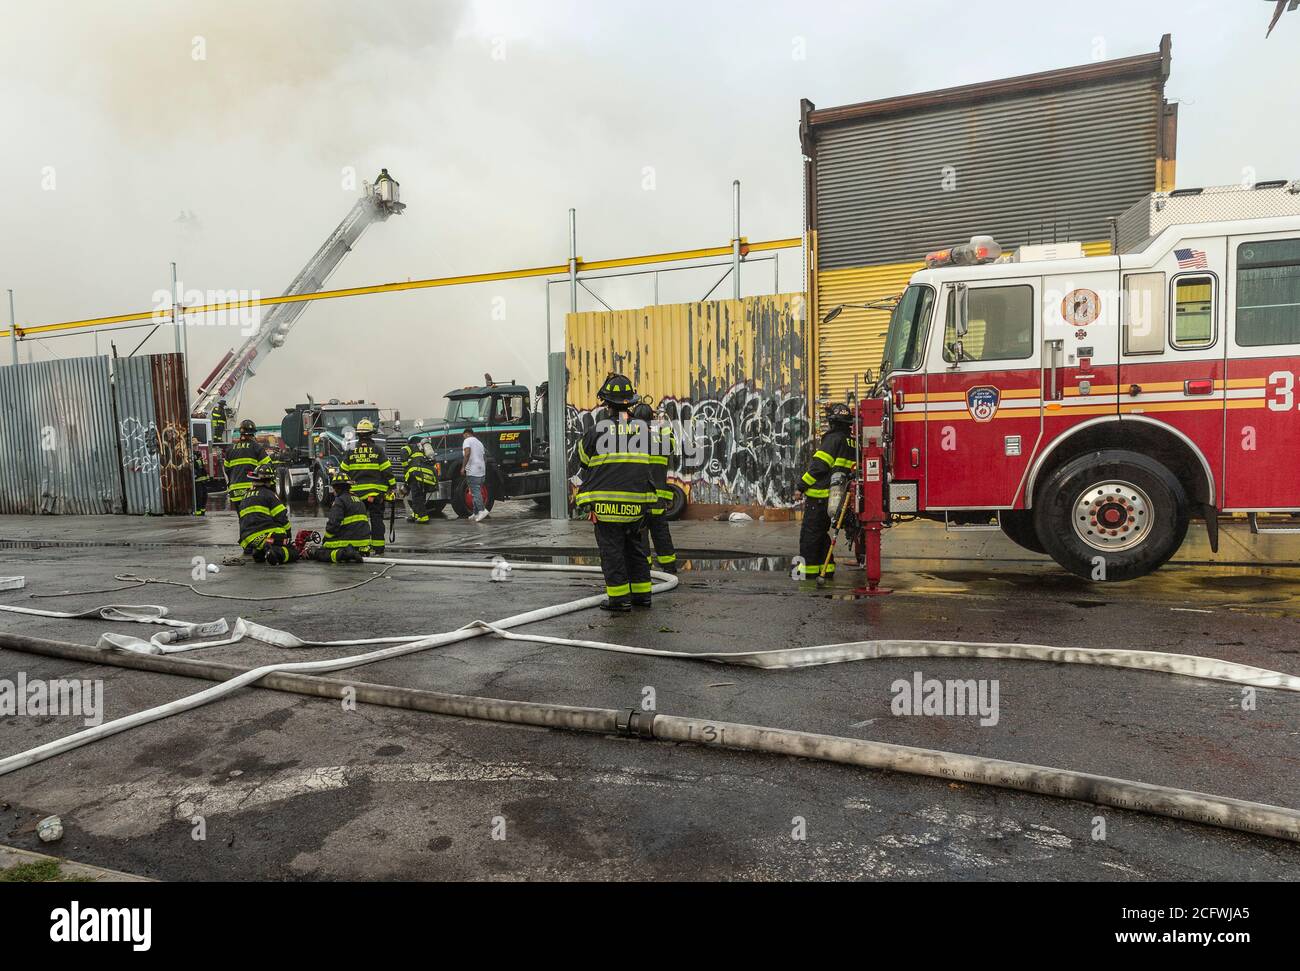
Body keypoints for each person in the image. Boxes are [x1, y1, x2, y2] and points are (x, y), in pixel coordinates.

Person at [574, 373, 657, 611]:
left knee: (612, 553)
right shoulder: (643, 431)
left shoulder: (597, 430)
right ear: (631, 402)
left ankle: (619, 600)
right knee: (636, 551)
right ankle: (643, 597)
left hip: (606, 507)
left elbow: (583, 460)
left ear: (606, 403)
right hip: (638, 506)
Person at [795, 402, 857, 580]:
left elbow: (819, 466)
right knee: (822, 534)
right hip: (837, 497)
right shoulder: (852, 441)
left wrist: (801, 486)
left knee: (810, 534)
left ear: (833, 422)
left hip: (820, 494)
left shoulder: (832, 439)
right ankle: (827, 568)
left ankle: (808, 571)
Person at [632, 401, 677, 574]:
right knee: (661, 534)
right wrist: (662, 422)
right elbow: (672, 441)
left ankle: (644, 567)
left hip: (641, 499)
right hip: (658, 500)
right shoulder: (663, 441)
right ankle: (670, 566)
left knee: (640, 534)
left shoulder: (631, 441)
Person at [341, 417, 394, 555]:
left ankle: (361, 548)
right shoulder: (378, 450)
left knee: (359, 521)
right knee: (376, 519)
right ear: (371, 434)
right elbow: (387, 471)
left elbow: (343, 472)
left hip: (356, 496)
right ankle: (378, 548)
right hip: (375, 494)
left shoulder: (351, 451)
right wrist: (392, 486)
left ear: (358, 434)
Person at [237, 467, 298, 565]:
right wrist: (288, 536)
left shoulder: (245, 496)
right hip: (265, 536)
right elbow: (281, 517)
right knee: (293, 552)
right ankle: (276, 554)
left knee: (266, 544)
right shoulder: (269, 495)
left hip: (247, 539)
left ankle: (260, 552)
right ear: (268, 481)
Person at [311, 471, 371, 563]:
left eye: (333, 488)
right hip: (363, 545)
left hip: (349, 544)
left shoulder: (340, 501)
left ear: (337, 488)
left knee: (321, 553)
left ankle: (343, 554)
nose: (333, 491)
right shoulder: (358, 499)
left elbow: (333, 525)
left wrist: (325, 540)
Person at [224, 419, 268, 510]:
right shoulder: (256, 448)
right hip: (252, 490)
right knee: (253, 519)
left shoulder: (230, 449)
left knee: (243, 520)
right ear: (252, 434)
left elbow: (227, 470)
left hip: (235, 491)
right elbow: (267, 467)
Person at [404, 438, 438, 524]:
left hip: (416, 475)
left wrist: (406, 483)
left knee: (416, 497)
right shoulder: (421, 449)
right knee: (421, 496)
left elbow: (405, 465)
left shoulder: (406, 448)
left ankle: (423, 517)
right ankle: (415, 514)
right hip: (426, 475)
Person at [462, 427, 488, 522]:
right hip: (481, 471)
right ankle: (475, 513)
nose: (464, 438)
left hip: (473, 471)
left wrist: (463, 467)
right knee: (475, 492)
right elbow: (485, 457)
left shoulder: (467, 441)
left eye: (464, 436)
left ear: (466, 434)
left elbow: (467, 453)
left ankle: (482, 510)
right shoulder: (479, 443)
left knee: (475, 492)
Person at [192, 448, 211, 517]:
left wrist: (206, 476)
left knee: (204, 496)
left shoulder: (199, 456)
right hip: (197, 482)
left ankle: (203, 512)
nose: (196, 447)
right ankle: (198, 512)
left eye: (196, 445)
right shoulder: (192, 456)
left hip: (203, 481)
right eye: (194, 445)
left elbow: (202, 468)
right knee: (199, 497)